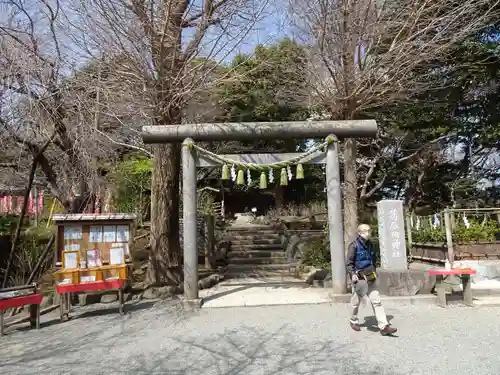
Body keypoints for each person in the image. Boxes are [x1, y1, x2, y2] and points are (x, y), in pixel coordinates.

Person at [346, 224, 397, 336]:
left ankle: (384, 326)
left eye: (369, 230)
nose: (368, 233)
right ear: (359, 233)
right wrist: (353, 274)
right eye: (366, 231)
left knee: (376, 301)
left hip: (370, 277)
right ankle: (353, 320)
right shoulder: (353, 246)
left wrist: (373, 271)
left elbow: (373, 260)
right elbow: (349, 263)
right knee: (355, 303)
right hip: (359, 279)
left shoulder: (371, 245)